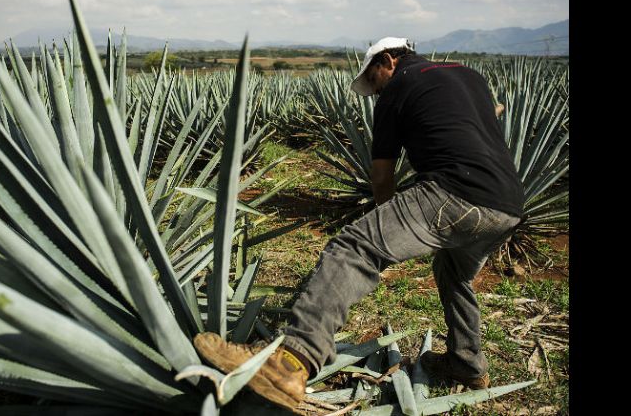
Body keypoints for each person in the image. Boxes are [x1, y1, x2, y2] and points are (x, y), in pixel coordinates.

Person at [194, 37, 524, 413]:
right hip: (508, 205)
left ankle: (291, 362)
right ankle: (467, 363)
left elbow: (382, 174)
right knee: (454, 274)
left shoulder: (398, 88)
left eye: (373, 80)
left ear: (388, 61)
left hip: (455, 192)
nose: (376, 90)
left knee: (353, 247)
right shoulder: (468, 75)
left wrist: (384, 229)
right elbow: (489, 114)